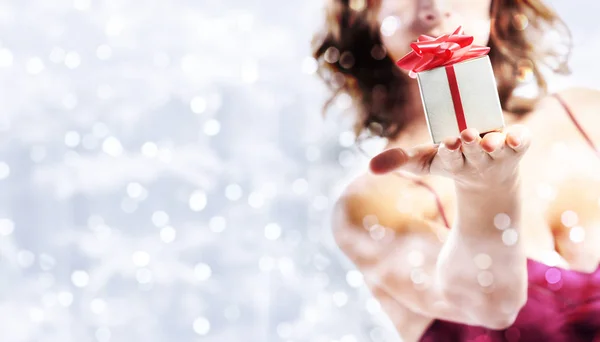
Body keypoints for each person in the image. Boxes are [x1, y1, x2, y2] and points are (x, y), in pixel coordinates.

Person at [311, 0, 600, 341]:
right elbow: (491, 306)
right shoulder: (372, 203)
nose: (433, 4)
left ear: (496, 7)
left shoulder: (586, 115)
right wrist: (488, 191)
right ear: (366, 13)